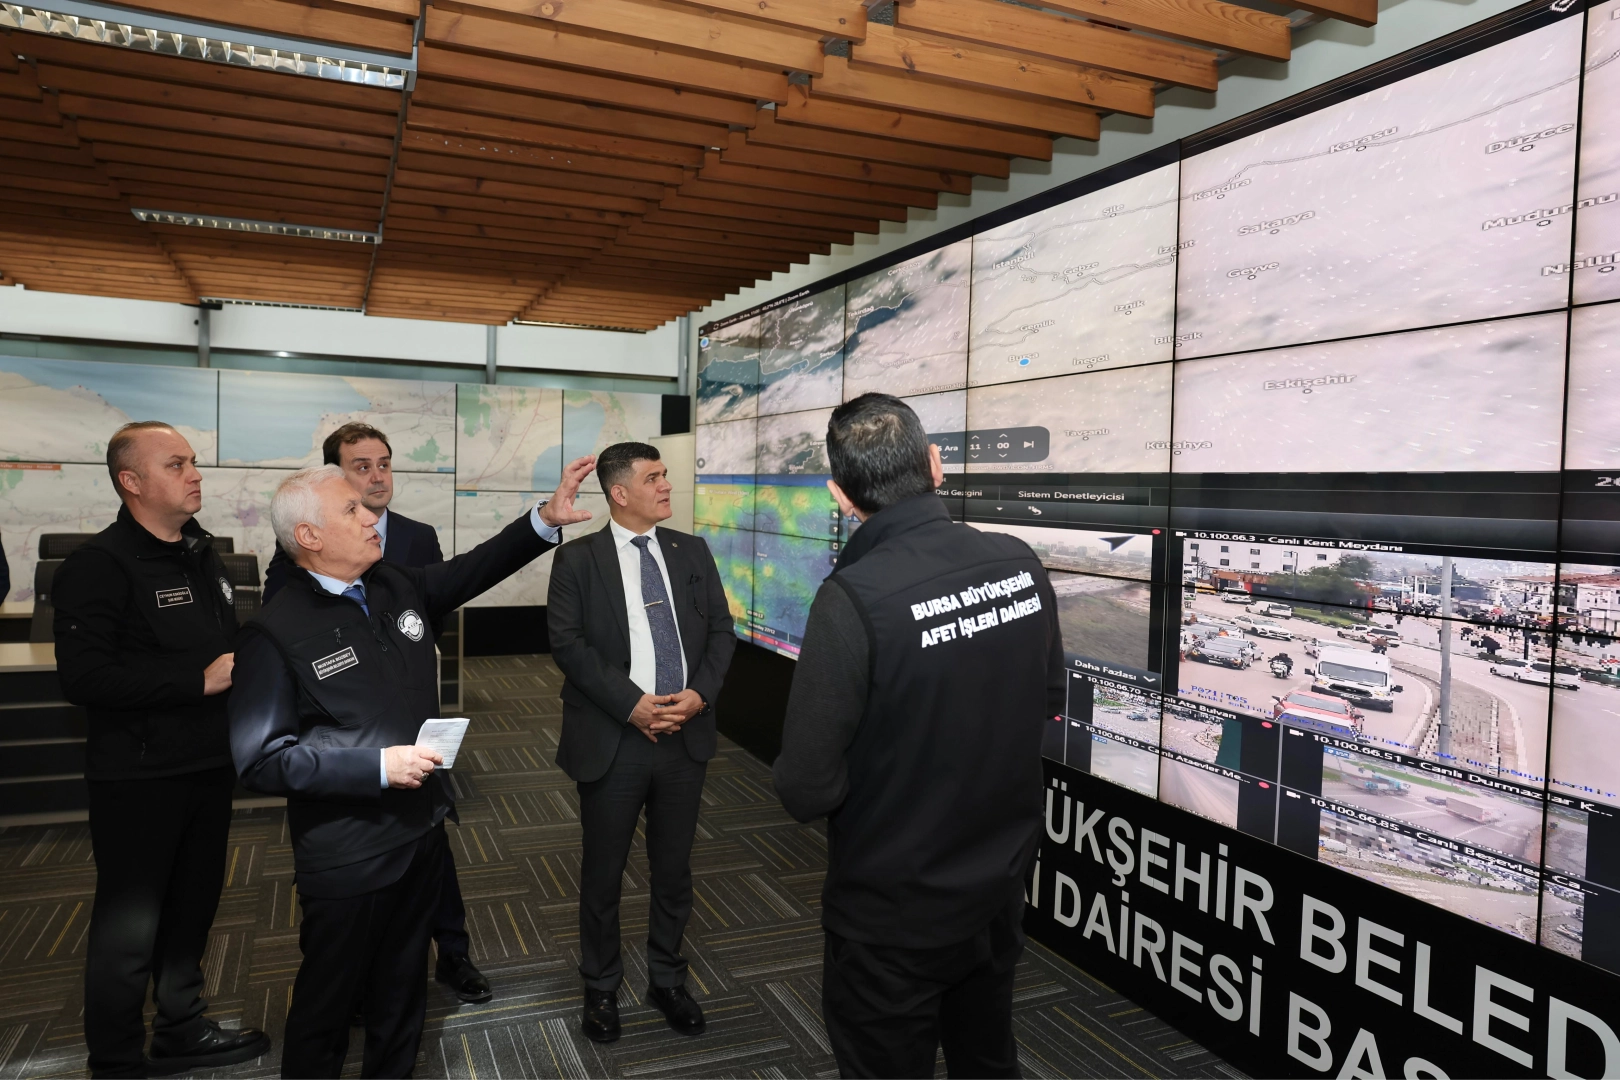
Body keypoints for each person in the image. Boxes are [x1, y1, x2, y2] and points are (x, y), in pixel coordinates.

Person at [228, 456, 595, 1079]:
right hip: (348, 854)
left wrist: (544, 520)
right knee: (327, 1009)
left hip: (420, 834)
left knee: (402, 998)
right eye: (351, 509)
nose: (372, 517)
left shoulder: (396, 585)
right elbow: (261, 760)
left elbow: (476, 568)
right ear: (309, 536)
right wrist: (374, 767)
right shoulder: (273, 633)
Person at [772, 393, 1065, 1080]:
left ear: (841, 496)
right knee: (987, 1060)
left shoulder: (853, 598)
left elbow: (805, 787)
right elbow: (1047, 699)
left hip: (893, 916)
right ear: (935, 464)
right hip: (996, 888)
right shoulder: (1018, 562)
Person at [54, 421, 270, 1079]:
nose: (195, 474)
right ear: (132, 481)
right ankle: (116, 1058)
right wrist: (194, 681)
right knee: (130, 928)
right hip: (139, 776)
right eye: (176, 464)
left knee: (193, 909)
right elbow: (83, 678)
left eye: (192, 461)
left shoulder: (201, 552)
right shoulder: (99, 565)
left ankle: (182, 1028)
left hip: (208, 763)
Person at [262, 422, 489, 1005]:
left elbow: (447, 594)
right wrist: (374, 762)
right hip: (349, 818)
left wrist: (542, 523)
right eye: (360, 471)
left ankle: (450, 955)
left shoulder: (407, 551)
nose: (374, 488)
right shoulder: (283, 604)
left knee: (405, 969)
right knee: (338, 981)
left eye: (384, 464)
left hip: (417, 769)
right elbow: (273, 737)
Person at [546, 442, 736, 1044]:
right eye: (654, 478)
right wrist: (631, 705)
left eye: (665, 475)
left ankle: (667, 978)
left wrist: (699, 696)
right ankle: (601, 986)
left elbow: (722, 631)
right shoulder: (577, 559)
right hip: (614, 738)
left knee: (673, 869)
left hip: (684, 734)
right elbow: (568, 645)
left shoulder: (691, 550)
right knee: (603, 873)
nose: (666, 485)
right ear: (620, 493)